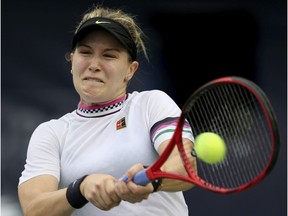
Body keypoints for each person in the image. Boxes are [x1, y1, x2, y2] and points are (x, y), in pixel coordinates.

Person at [18, 5, 196, 216]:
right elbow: (35, 209)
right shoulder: (51, 133)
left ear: (130, 70)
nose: (94, 64)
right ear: (72, 61)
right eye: (85, 52)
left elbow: (185, 165)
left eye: (109, 55)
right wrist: (81, 188)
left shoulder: (152, 104)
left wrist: (152, 178)